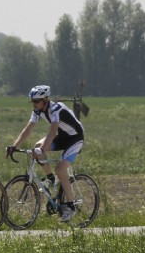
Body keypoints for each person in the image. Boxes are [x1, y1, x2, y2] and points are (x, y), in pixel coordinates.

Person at [6, 85, 86, 223]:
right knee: (37, 146)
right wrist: (14, 146)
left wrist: (42, 150)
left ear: (45, 100)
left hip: (75, 138)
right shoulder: (37, 111)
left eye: (36, 101)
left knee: (60, 169)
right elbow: (28, 129)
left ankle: (71, 206)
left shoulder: (56, 109)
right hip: (62, 137)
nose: (34, 104)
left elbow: (53, 131)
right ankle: (50, 179)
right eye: (32, 101)